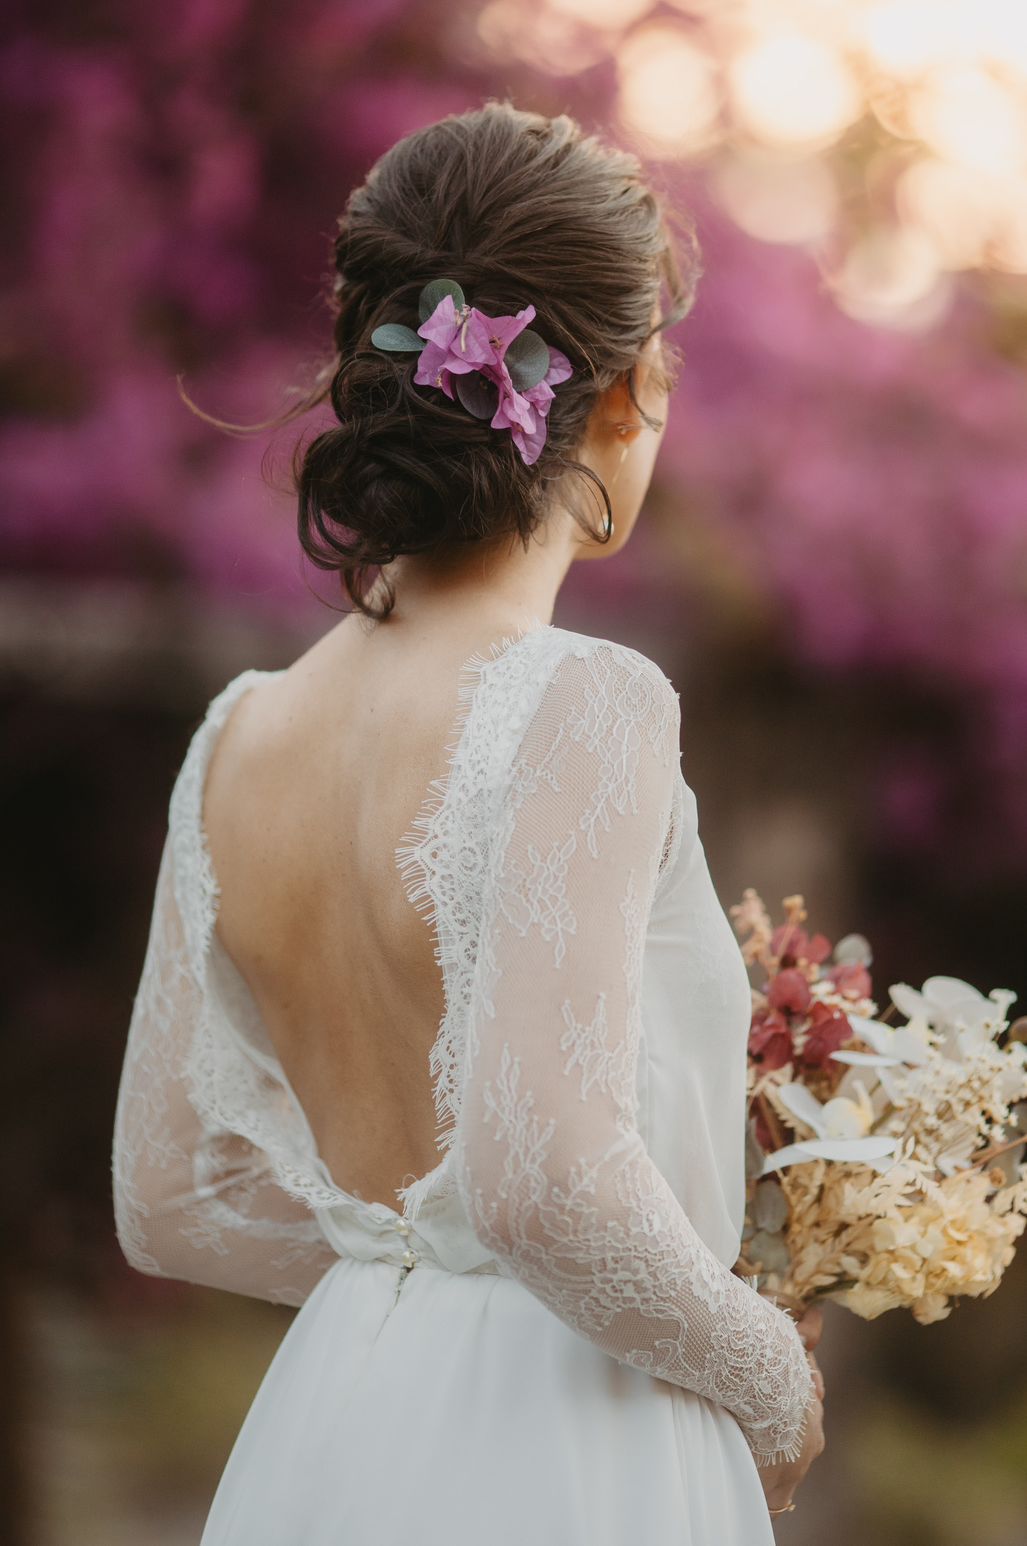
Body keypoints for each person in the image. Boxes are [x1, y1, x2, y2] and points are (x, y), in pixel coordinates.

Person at [112, 103, 824, 1543]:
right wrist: (767, 1372)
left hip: (332, 1426)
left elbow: (171, 1198)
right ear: (621, 393)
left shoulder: (238, 736)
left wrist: (408, 1280)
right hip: (566, 1442)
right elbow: (544, 1182)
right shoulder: (585, 701)